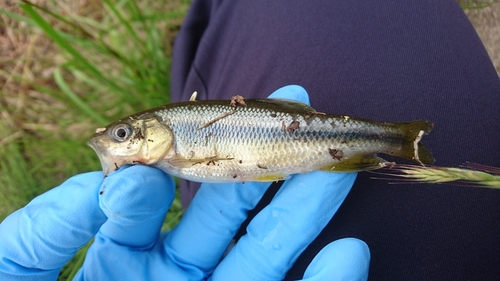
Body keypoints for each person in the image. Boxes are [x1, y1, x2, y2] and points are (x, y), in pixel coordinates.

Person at [1, 0, 499, 280]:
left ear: (154, 133)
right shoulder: (173, 155)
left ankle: (397, 137)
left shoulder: (180, 146)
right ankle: (395, 138)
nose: (115, 141)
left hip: (277, 138)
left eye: (125, 134)